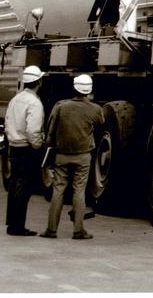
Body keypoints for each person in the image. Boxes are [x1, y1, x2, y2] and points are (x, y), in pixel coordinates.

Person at [41, 74, 103, 240]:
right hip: (83, 156)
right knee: (79, 191)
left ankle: (51, 229)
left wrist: (49, 150)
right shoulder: (95, 109)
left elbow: (50, 132)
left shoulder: (60, 106)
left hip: (61, 156)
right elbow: (100, 126)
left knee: (58, 190)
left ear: (74, 88)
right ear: (89, 91)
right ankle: (78, 230)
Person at [3, 65, 45, 236]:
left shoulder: (16, 99)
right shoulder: (34, 103)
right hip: (26, 149)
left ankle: (12, 223)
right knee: (23, 187)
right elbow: (33, 130)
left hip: (14, 146)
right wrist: (38, 146)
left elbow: (7, 123)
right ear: (39, 82)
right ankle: (17, 226)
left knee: (14, 186)